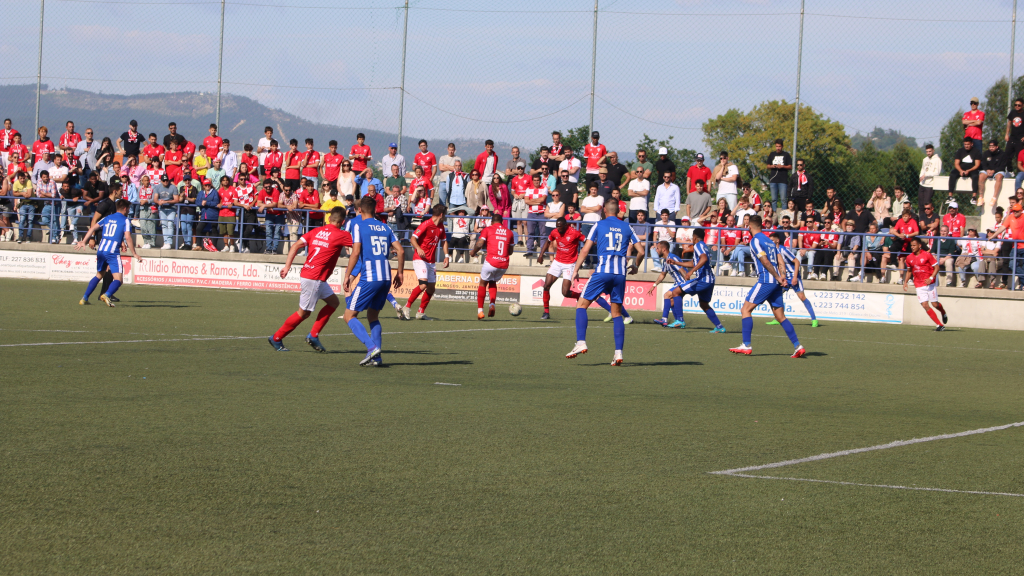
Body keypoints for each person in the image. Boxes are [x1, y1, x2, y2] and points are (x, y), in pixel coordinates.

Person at [565, 198, 643, 366]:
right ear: (617, 211)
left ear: (605, 211)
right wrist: (635, 265)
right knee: (616, 314)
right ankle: (618, 353)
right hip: (620, 275)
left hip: (602, 272)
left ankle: (580, 342)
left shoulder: (598, 225)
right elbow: (641, 250)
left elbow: (585, 249)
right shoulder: (627, 227)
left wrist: (575, 270)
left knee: (581, 305)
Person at [267, 207, 354, 352]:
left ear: (329, 218)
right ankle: (276, 337)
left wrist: (287, 267)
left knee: (333, 302)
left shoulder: (316, 231)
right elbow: (358, 247)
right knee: (303, 313)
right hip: (314, 278)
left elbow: (295, 246)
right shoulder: (341, 234)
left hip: (311, 275)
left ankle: (313, 335)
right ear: (343, 222)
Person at [729, 215, 805, 357]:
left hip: (766, 280)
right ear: (762, 226)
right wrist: (782, 277)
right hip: (776, 283)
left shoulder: (755, 241)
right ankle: (798, 346)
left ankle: (746, 345)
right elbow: (779, 259)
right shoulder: (770, 241)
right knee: (780, 316)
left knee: (745, 310)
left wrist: (777, 277)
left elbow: (764, 261)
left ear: (749, 227)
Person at [341, 197, 405, 366]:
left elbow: (355, 253)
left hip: (370, 277)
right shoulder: (385, 227)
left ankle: (371, 348)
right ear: (375, 210)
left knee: (349, 316)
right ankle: (377, 359)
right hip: (386, 277)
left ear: (359, 209)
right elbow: (400, 250)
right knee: (373, 315)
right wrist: (400, 273)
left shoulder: (358, 225)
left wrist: (348, 275)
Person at [75, 199, 141, 307]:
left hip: (101, 249)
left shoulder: (108, 217)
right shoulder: (125, 220)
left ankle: (84, 298)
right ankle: (107, 295)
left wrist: (84, 241)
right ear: (125, 208)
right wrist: (134, 253)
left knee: (99, 275)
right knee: (118, 280)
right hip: (112, 252)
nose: (129, 210)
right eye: (128, 208)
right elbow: (128, 236)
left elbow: (92, 228)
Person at [404, 204, 450, 320]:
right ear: (441, 214)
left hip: (431, 261)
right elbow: (413, 238)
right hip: (420, 259)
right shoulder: (426, 224)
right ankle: (407, 307)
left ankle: (420, 312)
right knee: (423, 284)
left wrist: (446, 256)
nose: (445, 216)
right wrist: (418, 248)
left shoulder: (441, 226)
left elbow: (444, 241)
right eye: (445, 214)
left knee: (431, 288)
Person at [536, 217, 586, 320]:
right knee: (546, 286)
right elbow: (548, 241)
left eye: (560, 227)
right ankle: (546, 312)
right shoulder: (555, 232)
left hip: (569, 264)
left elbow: (586, 241)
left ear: (565, 225)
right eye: (557, 226)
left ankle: (579, 296)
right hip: (557, 262)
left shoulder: (574, 233)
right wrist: (541, 255)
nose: (558, 229)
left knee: (565, 293)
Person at [768, 232, 819, 328]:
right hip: (784, 278)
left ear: (777, 241)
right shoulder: (773, 252)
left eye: (772, 241)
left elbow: (797, 261)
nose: (770, 243)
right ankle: (778, 318)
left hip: (793, 276)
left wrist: (795, 277)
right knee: (775, 296)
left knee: (802, 297)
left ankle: (814, 319)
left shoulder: (783, 250)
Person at [469, 212, 514, 320]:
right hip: (503, 263)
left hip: (491, 261)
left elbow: (479, 244)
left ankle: (480, 311)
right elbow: (511, 251)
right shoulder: (509, 232)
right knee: (493, 281)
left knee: (483, 283)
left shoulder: (488, 229)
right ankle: (492, 304)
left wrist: (473, 252)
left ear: (492, 221)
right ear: (502, 222)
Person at [904, 237, 948, 331]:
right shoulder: (909, 258)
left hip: (929, 284)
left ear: (919, 246)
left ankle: (943, 312)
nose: (912, 247)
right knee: (924, 305)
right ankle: (939, 325)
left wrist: (931, 278)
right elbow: (909, 271)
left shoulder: (927, 255)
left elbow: (937, 267)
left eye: (914, 245)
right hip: (919, 285)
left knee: (935, 304)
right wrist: (905, 282)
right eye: (911, 245)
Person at [992, 202, 1024, 290]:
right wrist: (992, 236)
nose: (1015, 213)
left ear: (1021, 211)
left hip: (1023, 246)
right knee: (1011, 264)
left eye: (1017, 211)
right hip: (1015, 246)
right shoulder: (1010, 217)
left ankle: (1023, 284)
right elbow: (1002, 227)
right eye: (1014, 211)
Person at [765, 139, 792, 211]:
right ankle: (774, 214)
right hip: (773, 180)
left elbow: (790, 167)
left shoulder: (786, 155)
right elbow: (767, 166)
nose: (778, 148)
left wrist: (782, 166)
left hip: (783, 180)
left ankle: (784, 214)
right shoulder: (772, 154)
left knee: (783, 199)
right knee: (774, 199)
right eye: (777, 146)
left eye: (779, 146)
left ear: (782, 146)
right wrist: (772, 166)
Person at [977, 140, 1004, 208]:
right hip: (988, 170)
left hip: (998, 170)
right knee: (981, 176)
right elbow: (983, 164)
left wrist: (994, 171)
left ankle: (994, 198)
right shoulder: (986, 153)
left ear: (997, 147)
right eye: (990, 146)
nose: (991, 148)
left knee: (999, 177)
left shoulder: (1002, 154)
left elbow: (1002, 165)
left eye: (993, 146)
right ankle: (980, 197)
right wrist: (987, 170)